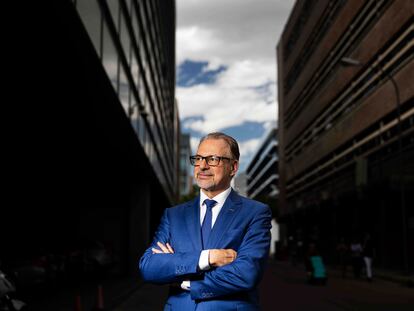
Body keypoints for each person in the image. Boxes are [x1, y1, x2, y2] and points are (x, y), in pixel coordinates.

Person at [139, 132, 272, 311]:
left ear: (233, 167)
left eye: (213, 159)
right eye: (199, 158)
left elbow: (246, 274)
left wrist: (184, 280)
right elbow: (149, 266)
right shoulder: (173, 215)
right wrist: (208, 257)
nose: (202, 166)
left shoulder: (255, 213)